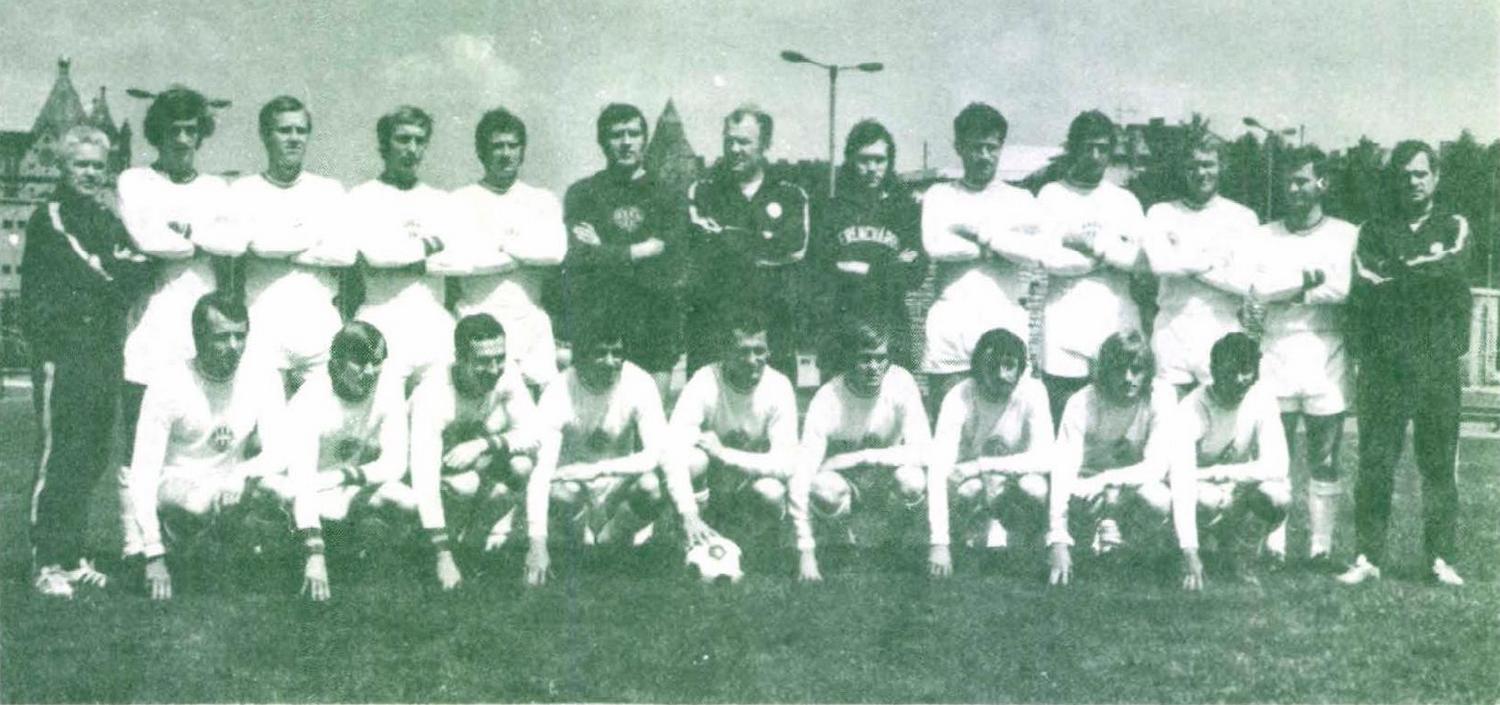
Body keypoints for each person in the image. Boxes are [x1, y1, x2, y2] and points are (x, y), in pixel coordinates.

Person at [21, 125, 151, 597]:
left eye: (98, 165)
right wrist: (114, 270)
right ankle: (46, 562)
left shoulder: (104, 218)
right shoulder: (50, 217)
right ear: (63, 167)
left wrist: (116, 269)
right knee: (60, 455)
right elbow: (87, 269)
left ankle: (72, 556)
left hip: (102, 351)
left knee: (92, 455)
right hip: (62, 352)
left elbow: (139, 265)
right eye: (81, 164)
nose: (91, 173)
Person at [1340, 141, 1471, 587]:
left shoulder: (1454, 225)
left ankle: (1441, 559)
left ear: (1436, 177)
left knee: (1438, 467)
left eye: (1420, 173)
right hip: (1385, 365)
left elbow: (1450, 268)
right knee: (1376, 463)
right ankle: (1366, 557)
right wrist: (1417, 275)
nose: (1413, 182)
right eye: (1405, 175)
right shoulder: (1373, 229)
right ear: (1393, 180)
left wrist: (1397, 273)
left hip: (1435, 363)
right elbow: (1366, 278)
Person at [116, 86, 236, 563]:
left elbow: (233, 241)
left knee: (198, 441)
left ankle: (193, 542)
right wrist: (199, 239)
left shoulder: (216, 189)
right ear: (157, 134)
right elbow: (146, 237)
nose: (183, 140)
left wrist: (187, 235)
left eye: (191, 130)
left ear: (201, 135)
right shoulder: (135, 181)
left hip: (198, 335)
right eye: (173, 131)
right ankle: (134, 542)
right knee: (137, 445)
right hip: (149, 333)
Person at [121, 292, 288, 600]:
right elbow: (143, 474)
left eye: (240, 336)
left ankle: (247, 557)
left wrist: (240, 474)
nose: (233, 346)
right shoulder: (168, 383)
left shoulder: (264, 377)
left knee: (282, 490)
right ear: (199, 338)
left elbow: (280, 452)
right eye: (222, 337)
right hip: (178, 482)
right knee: (198, 503)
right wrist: (153, 555)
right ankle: (174, 546)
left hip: (231, 481)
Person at [1251, 147, 1358, 568]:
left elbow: (1344, 288)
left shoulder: (1345, 234)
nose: (1294, 188)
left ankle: (1320, 548)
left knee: (1325, 457)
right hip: (1275, 348)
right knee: (1274, 457)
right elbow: (1257, 288)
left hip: (1325, 347)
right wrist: (1308, 281)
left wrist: (1287, 289)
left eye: (1302, 180)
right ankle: (1273, 546)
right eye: (1288, 181)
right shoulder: (1263, 235)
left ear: (1322, 183)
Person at [524, 314, 669, 587]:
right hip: (573, 489)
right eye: (601, 353)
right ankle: (581, 544)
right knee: (561, 491)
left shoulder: (640, 382)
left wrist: (597, 469)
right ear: (580, 357)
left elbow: (657, 453)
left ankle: (611, 540)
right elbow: (541, 472)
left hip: (616, 484)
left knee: (653, 486)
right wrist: (537, 545)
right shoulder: (558, 391)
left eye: (617, 353)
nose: (611, 362)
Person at [919, 103, 1047, 411]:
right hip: (952, 327)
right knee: (948, 420)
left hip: (1004, 323)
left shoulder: (1020, 199)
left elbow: (1034, 252)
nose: (984, 155)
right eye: (976, 147)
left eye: (992, 147)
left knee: (1006, 425)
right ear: (959, 148)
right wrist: (998, 245)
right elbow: (936, 245)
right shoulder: (940, 195)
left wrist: (981, 235)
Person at [230, 96, 354, 396]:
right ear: (265, 135)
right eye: (284, 130)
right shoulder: (243, 190)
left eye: (301, 130)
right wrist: (313, 238)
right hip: (263, 325)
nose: (294, 138)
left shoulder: (330, 191)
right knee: (264, 420)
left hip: (320, 326)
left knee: (321, 417)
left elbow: (345, 253)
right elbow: (257, 245)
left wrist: (280, 247)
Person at [286, 322, 418, 602]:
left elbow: (395, 463)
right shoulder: (309, 399)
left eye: (376, 362)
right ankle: (299, 561)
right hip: (309, 493)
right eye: (359, 362)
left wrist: (344, 476)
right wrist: (314, 553)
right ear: (336, 363)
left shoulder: (388, 388)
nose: (369, 371)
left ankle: (376, 572)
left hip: (347, 486)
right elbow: (301, 481)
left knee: (407, 501)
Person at [790, 322, 931, 582]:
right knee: (823, 487)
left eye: (881, 358)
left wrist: (859, 457)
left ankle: (894, 546)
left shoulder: (901, 382)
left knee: (912, 480)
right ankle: (841, 545)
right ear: (849, 359)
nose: (874, 367)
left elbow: (923, 451)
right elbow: (802, 473)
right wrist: (805, 551)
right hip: (846, 485)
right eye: (865, 359)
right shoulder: (827, 397)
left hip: (884, 478)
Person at [408, 314, 541, 588]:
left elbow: (535, 433)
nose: (494, 369)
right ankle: (434, 553)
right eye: (482, 361)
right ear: (460, 359)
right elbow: (423, 479)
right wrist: (442, 555)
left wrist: (484, 444)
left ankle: (471, 547)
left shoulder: (507, 373)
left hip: (472, 461)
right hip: (421, 478)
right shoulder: (432, 394)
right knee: (465, 484)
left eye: (499, 358)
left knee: (521, 466)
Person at [564, 103, 685, 398]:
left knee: (652, 416)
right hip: (601, 323)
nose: (626, 142)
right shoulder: (584, 193)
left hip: (654, 321)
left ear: (645, 138)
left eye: (634, 133)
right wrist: (642, 250)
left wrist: (603, 249)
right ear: (602, 141)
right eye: (617, 135)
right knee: (601, 417)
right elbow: (581, 256)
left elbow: (672, 258)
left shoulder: (667, 194)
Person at [1037, 111, 1147, 424]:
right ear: (1073, 148)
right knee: (1065, 421)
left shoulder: (1125, 202)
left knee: (1115, 422)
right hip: (1064, 326)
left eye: (1103, 148)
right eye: (1088, 147)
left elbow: (1139, 260)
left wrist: (1090, 246)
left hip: (1116, 323)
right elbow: (1049, 259)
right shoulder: (1051, 196)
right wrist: (1106, 255)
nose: (1096, 156)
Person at [686, 104, 810, 378]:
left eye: (744, 142)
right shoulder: (703, 191)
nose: (734, 149)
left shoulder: (790, 195)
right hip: (714, 324)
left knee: (777, 399)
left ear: (765, 144)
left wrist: (726, 235)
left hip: (772, 324)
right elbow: (700, 245)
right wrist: (763, 239)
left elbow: (794, 248)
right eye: (729, 141)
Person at [345, 105, 462, 395]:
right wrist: (430, 245)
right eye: (403, 139)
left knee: (435, 413)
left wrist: (401, 255)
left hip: (434, 324)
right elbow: (375, 255)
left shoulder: (441, 200)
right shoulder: (362, 197)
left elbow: (458, 259)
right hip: (382, 318)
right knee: (385, 414)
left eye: (419, 141)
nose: (412, 149)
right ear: (385, 144)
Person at [449, 107, 567, 389]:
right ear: (481, 152)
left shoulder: (543, 200)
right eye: (496, 146)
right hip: (478, 319)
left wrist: (500, 246)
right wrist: (525, 251)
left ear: (522, 151)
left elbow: (554, 252)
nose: (505, 153)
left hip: (531, 319)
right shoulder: (459, 200)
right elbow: (459, 259)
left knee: (541, 404)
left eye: (512, 146)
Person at [1045, 332, 1176, 586]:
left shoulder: (1161, 397)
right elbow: (1063, 468)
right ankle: (1084, 546)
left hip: (1129, 488)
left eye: (1136, 370)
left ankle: (1132, 555)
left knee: (1159, 499)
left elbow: (1156, 467)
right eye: (1119, 369)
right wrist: (1058, 538)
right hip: (1086, 489)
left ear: (1148, 371)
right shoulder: (1082, 402)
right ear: (1105, 371)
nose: (1128, 378)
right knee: (1075, 496)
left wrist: (1107, 480)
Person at [660, 309, 799, 548]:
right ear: (725, 352)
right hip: (712, 483)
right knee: (692, 460)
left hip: (750, 482)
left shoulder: (779, 385)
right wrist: (687, 512)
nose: (752, 360)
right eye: (743, 351)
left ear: (769, 351)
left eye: (759, 351)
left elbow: (787, 463)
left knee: (771, 491)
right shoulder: (704, 380)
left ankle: (759, 551)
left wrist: (724, 454)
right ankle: (694, 539)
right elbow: (672, 450)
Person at [1142, 130, 1260, 397]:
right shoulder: (1161, 213)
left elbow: (1241, 282)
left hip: (1221, 325)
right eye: (1192, 166)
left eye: (1208, 164)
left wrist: (1182, 253)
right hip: (1172, 326)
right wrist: (1212, 262)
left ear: (1221, 166)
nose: (1200, 173)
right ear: (1182, 169)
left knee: (1220, 413)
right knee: (1168, 413)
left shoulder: (1243, 217)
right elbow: (1160, 265)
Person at [927, 328, 1052, 576]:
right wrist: (938, 543)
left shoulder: (1034, 392)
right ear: (978, 367)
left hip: (1012, 484)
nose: (1001, 375)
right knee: (967, 488)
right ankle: (967, 544)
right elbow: (939, 467)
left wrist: (982, 465)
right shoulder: (959, 396)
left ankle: (1023, 547)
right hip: (972, 485)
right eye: (992, 366)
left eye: (1009, 365)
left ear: (1021, 367)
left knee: (1036, 488)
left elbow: (1045, 457)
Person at [1170, 333, 1291, 591]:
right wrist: (1189, 550)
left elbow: (1278, 465)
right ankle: (1195, 551)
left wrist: (1217, 472)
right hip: (1199, 493)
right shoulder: (1192, 408)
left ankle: (1241, 556)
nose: (1238, 379)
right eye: (1230, 371)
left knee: (1277, 495)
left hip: (1227, 484)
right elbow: (1181, 481)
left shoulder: (1262, 398)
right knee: (1207, 499)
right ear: (1214, 370)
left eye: (1245, 370)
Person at [810, 119, 925, 375]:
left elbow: (916, 273)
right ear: (851, 159)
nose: (872, 168)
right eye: (864, 160)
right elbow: (821, 269)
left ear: (890, 162)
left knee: (895, 393)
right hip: (842, 325)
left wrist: (859, 267)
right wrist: (890, 265)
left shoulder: (905, 210)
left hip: (891, 323)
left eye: (879, 160)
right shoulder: (831, 208)